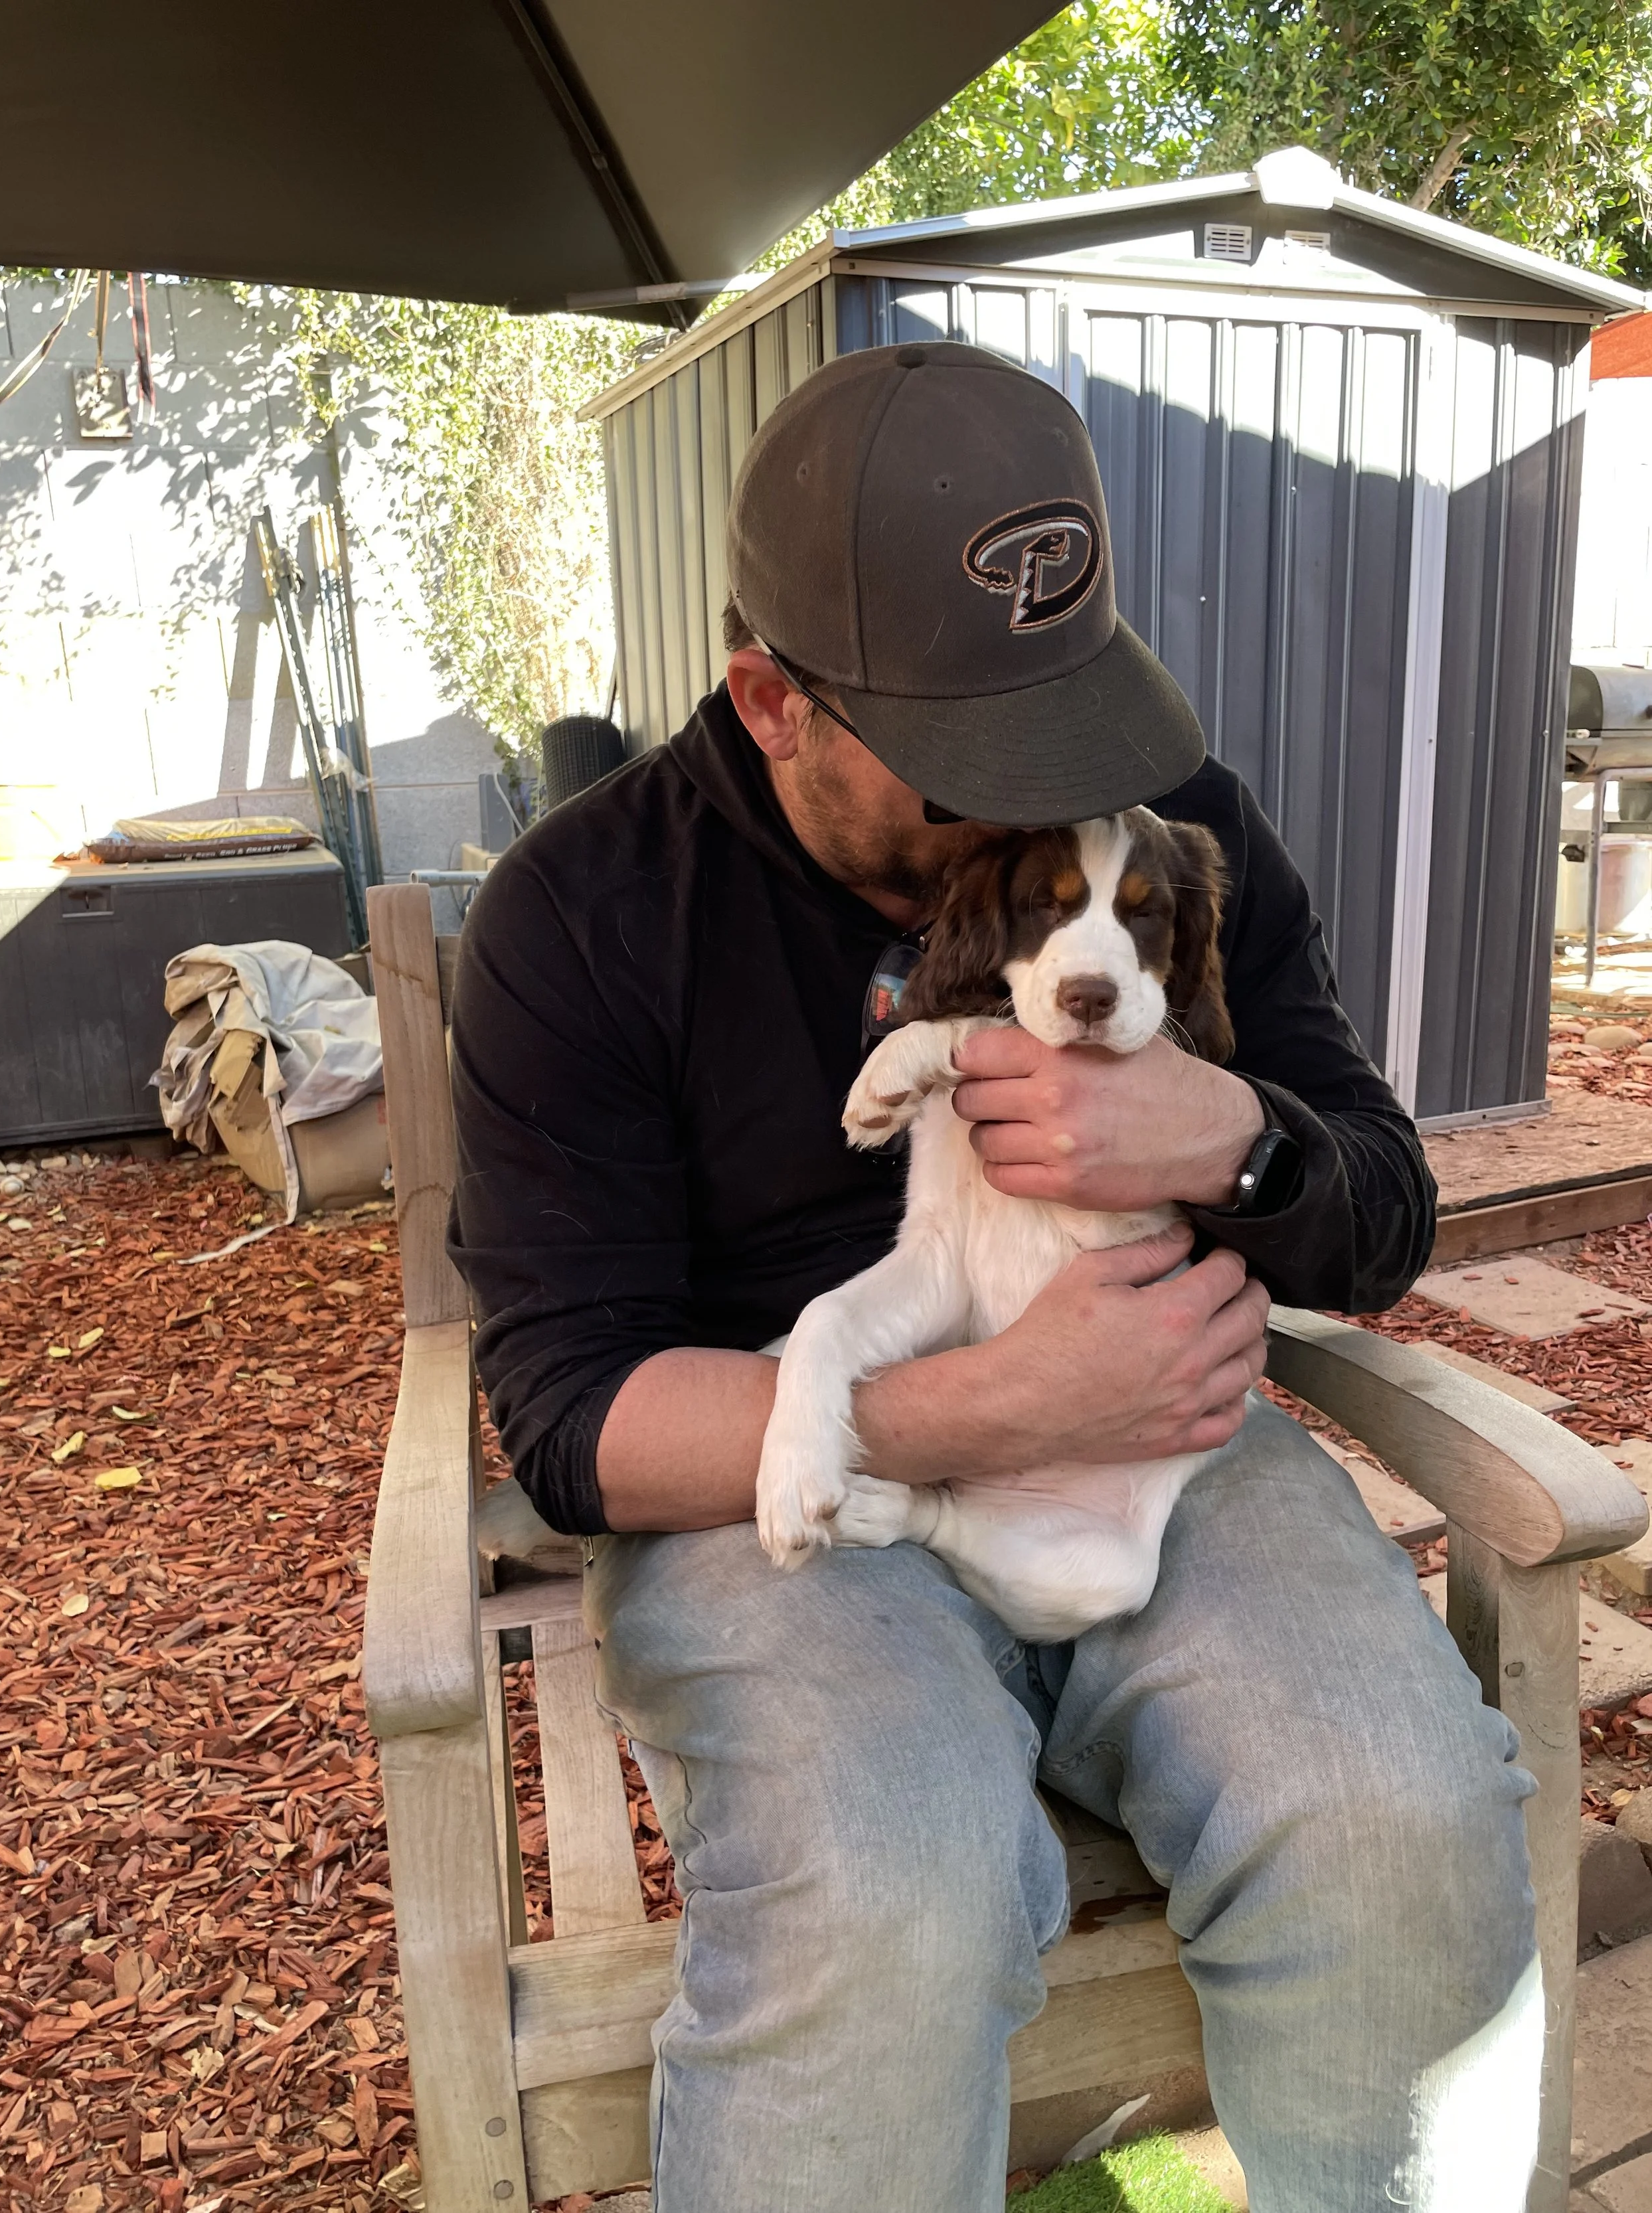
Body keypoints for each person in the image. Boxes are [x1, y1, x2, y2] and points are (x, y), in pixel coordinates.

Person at [450, 343, 1541, 2212]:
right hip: (790, 1492)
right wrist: (972, 1411)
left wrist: (1228, 1143)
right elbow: (568, 1420)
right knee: (882, 1877)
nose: (1044, 794)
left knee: (1399, 1809)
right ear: (768, 698)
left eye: (1066, 713)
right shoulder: (587, 909)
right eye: (975, 753)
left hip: (1177, 1444)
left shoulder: (1169, 823)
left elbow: (1378, 1211)